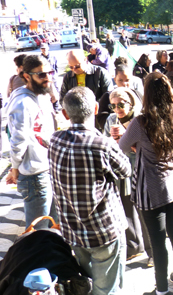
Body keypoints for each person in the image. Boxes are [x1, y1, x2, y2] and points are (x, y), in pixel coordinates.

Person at [49, 86, 132, 295]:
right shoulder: (101, 144)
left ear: (66, 114)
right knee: (106, 289)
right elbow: (125, 170)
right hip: (103, 231)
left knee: (87, 285)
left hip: (73, 231)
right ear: (96, 109)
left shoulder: (55, 141)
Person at [118, 73, 173, 295]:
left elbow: (121, 146)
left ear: (146, 95)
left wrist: (137, 147)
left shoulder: (141, 122)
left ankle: (161, 289)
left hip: (151, 189)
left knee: (158, 242)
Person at [5, 55, 57, 229]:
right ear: (26, 76)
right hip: (35, 176)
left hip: (48, 169)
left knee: (53, 227)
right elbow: (18, 141)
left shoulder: (40, 94)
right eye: (41, 74)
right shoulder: (23, 102)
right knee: (38, 233)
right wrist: (14, 169)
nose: (48, 78)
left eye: (50, 72)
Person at [102, 87, 151, 262]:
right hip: (120, 170)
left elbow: (147, 148)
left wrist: (125, 138)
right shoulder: (111, 120)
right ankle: (134, 245)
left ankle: (152, 251)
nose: (118, 109)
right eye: (113, 105)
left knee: (143, 210)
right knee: (126, 208)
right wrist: (110, 140)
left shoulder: (139, 120)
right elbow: (104, 144)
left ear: (130, 103)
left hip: (140, 169)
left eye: (121, 104)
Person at [97, 64, 144, 130]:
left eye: (127, 80)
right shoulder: (107, 97)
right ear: (115, 79)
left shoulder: (138, 95)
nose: (124, 84)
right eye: (120, 80)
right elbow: (101, 118)